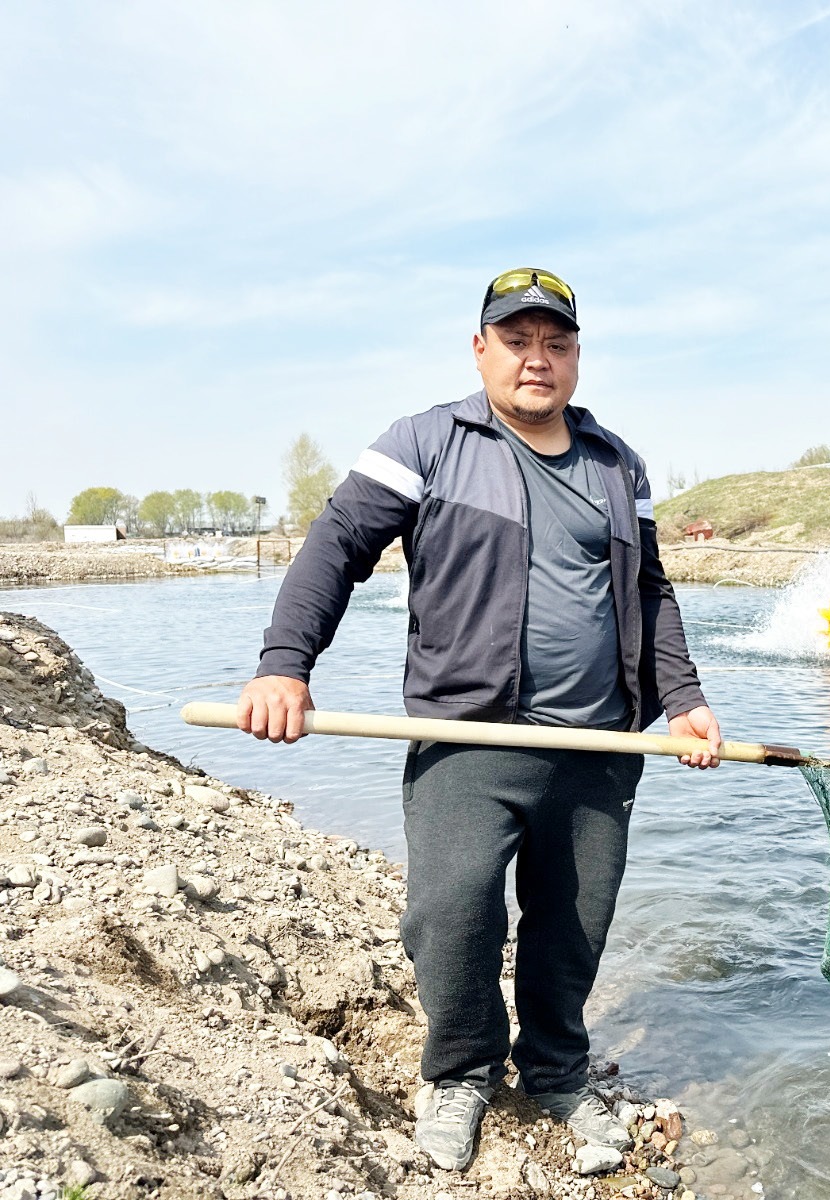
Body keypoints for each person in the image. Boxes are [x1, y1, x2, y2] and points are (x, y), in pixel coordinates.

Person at [234, 267, 722, 1171]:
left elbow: (651, 594)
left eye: (557, 342)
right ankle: (459, 1070)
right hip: (467, 737)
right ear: (480, 348)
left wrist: (683, 701)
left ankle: (556, 1073)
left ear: (576, 355)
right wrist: (284, 668)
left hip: (598, 746)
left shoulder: (618, 464)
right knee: (452, 914)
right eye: (517, 340)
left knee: (572, 925)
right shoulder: (425, 442)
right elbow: (336, 548)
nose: (538, 359)